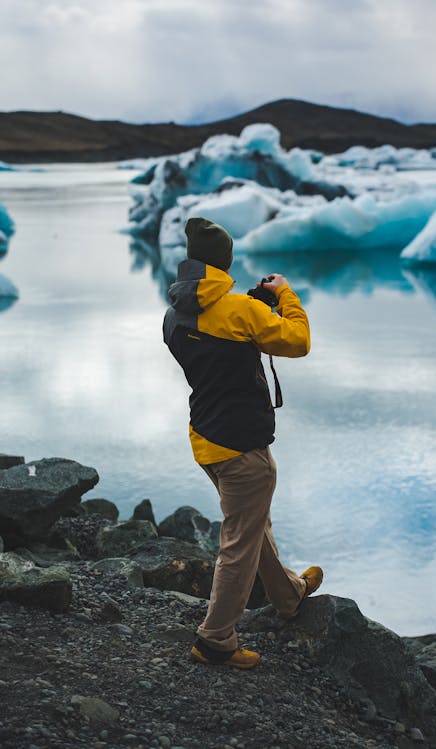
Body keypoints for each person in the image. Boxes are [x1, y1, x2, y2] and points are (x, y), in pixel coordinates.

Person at [163, 216, 323, 669]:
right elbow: (298, 341)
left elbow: (214, 342)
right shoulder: (243, 312)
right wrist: (283, 296)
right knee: (238, 540)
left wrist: (247, 312)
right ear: (224, 262)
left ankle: (288, 596)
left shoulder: (174, 313)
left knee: (252, 523)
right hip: (242, 447)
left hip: (205, 438)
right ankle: (215, 639)